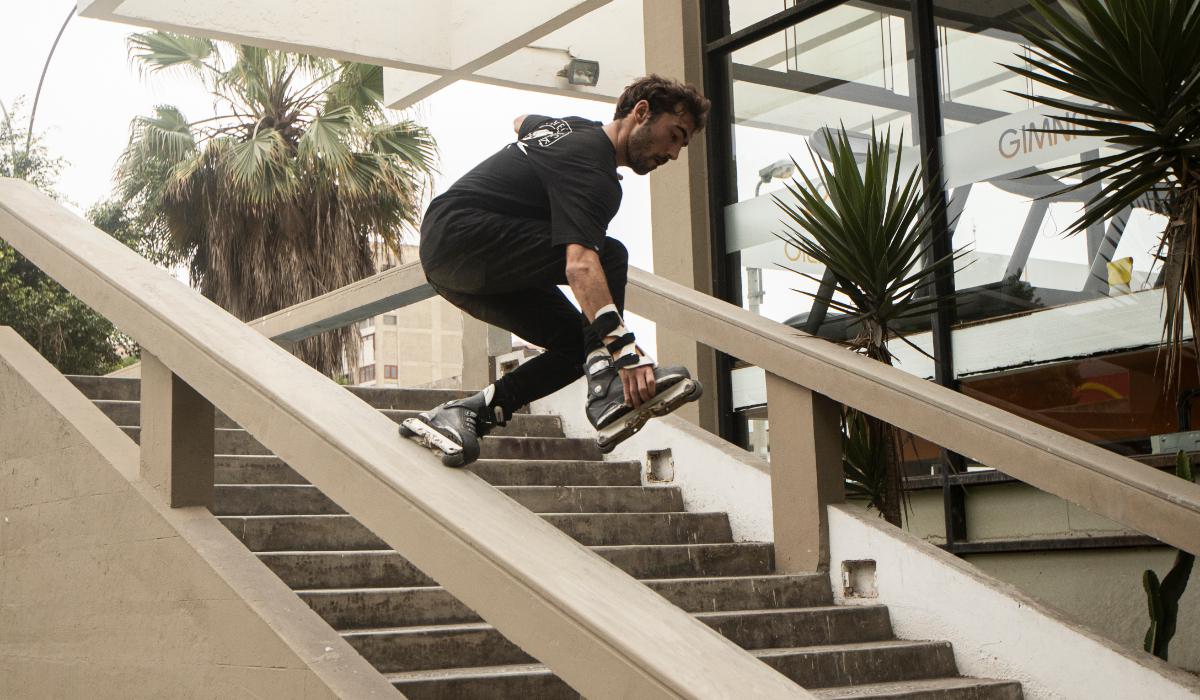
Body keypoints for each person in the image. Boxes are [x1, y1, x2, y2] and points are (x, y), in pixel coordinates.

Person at [400, 74, 710, 467]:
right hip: (464, 236)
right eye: (675, 135)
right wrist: (624, 353)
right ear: (642, 112)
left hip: (455, 257)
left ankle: (469, 413)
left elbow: (521, 120)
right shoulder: (593, 171)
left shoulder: (570, 129)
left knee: (573, 345)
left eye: (682, 145)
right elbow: (580, 266)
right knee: (609, 255)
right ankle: (605, 382)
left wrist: (540, 141)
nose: (674, 154)